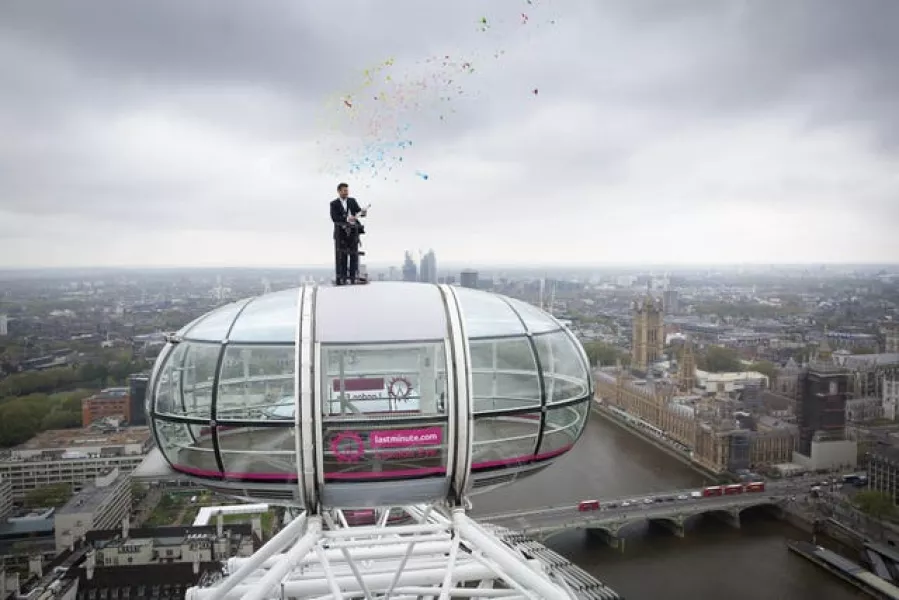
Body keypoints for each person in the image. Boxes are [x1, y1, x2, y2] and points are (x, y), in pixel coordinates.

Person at [330, 182, 367, 285]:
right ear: (339, 191)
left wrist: (363, 212)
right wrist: (346, 219)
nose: (346, 192)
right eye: (344, 190)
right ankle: (342, 277)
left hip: (353, 232)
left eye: (347, 190)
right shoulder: (334, 204)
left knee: (354, 255)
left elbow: (358, 212)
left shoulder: (352, 201)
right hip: (341, 233)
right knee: (342, 255)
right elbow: (334, 218)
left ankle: (353, 276)